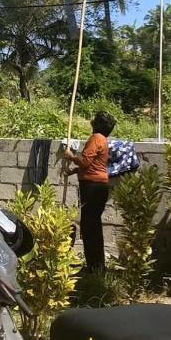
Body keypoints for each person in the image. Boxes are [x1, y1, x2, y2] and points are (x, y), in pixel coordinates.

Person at [64, 110, 116, 272]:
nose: (92, 122)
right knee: (93, 226)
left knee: (89, 227)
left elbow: (86, 162)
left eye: (95, 120)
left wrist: (71, 155)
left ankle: (94, 266)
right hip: (98, 186)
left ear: (99, 124)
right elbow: (94, 164)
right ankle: (97, 265)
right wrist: (74, 171)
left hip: (92, 187)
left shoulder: (96, 138)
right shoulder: (103, 139)